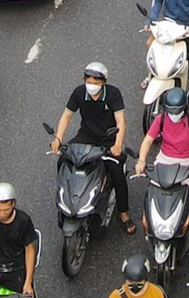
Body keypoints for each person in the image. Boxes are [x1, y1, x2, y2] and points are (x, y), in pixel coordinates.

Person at [51, 63, 136, 235]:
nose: (91, 85)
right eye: (88, 81)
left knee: (117, 174)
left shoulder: (113, 94)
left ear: (103, 82)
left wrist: (118, 144)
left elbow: (120, 121)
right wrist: (58, 138)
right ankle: (68, 197)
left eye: (95, 82)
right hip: (86, 135)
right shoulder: (79, 93)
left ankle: (123, 213)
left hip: (108, 138)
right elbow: (67, 115)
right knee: (63, 161)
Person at [133, 87, 189, 231]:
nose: (174, 115)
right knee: (153, 194)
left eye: (178, 111)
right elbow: (147, 141)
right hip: (164, 160)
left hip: (187, 162)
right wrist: (141, 161)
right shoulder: (161, 119)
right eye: (171, 111)